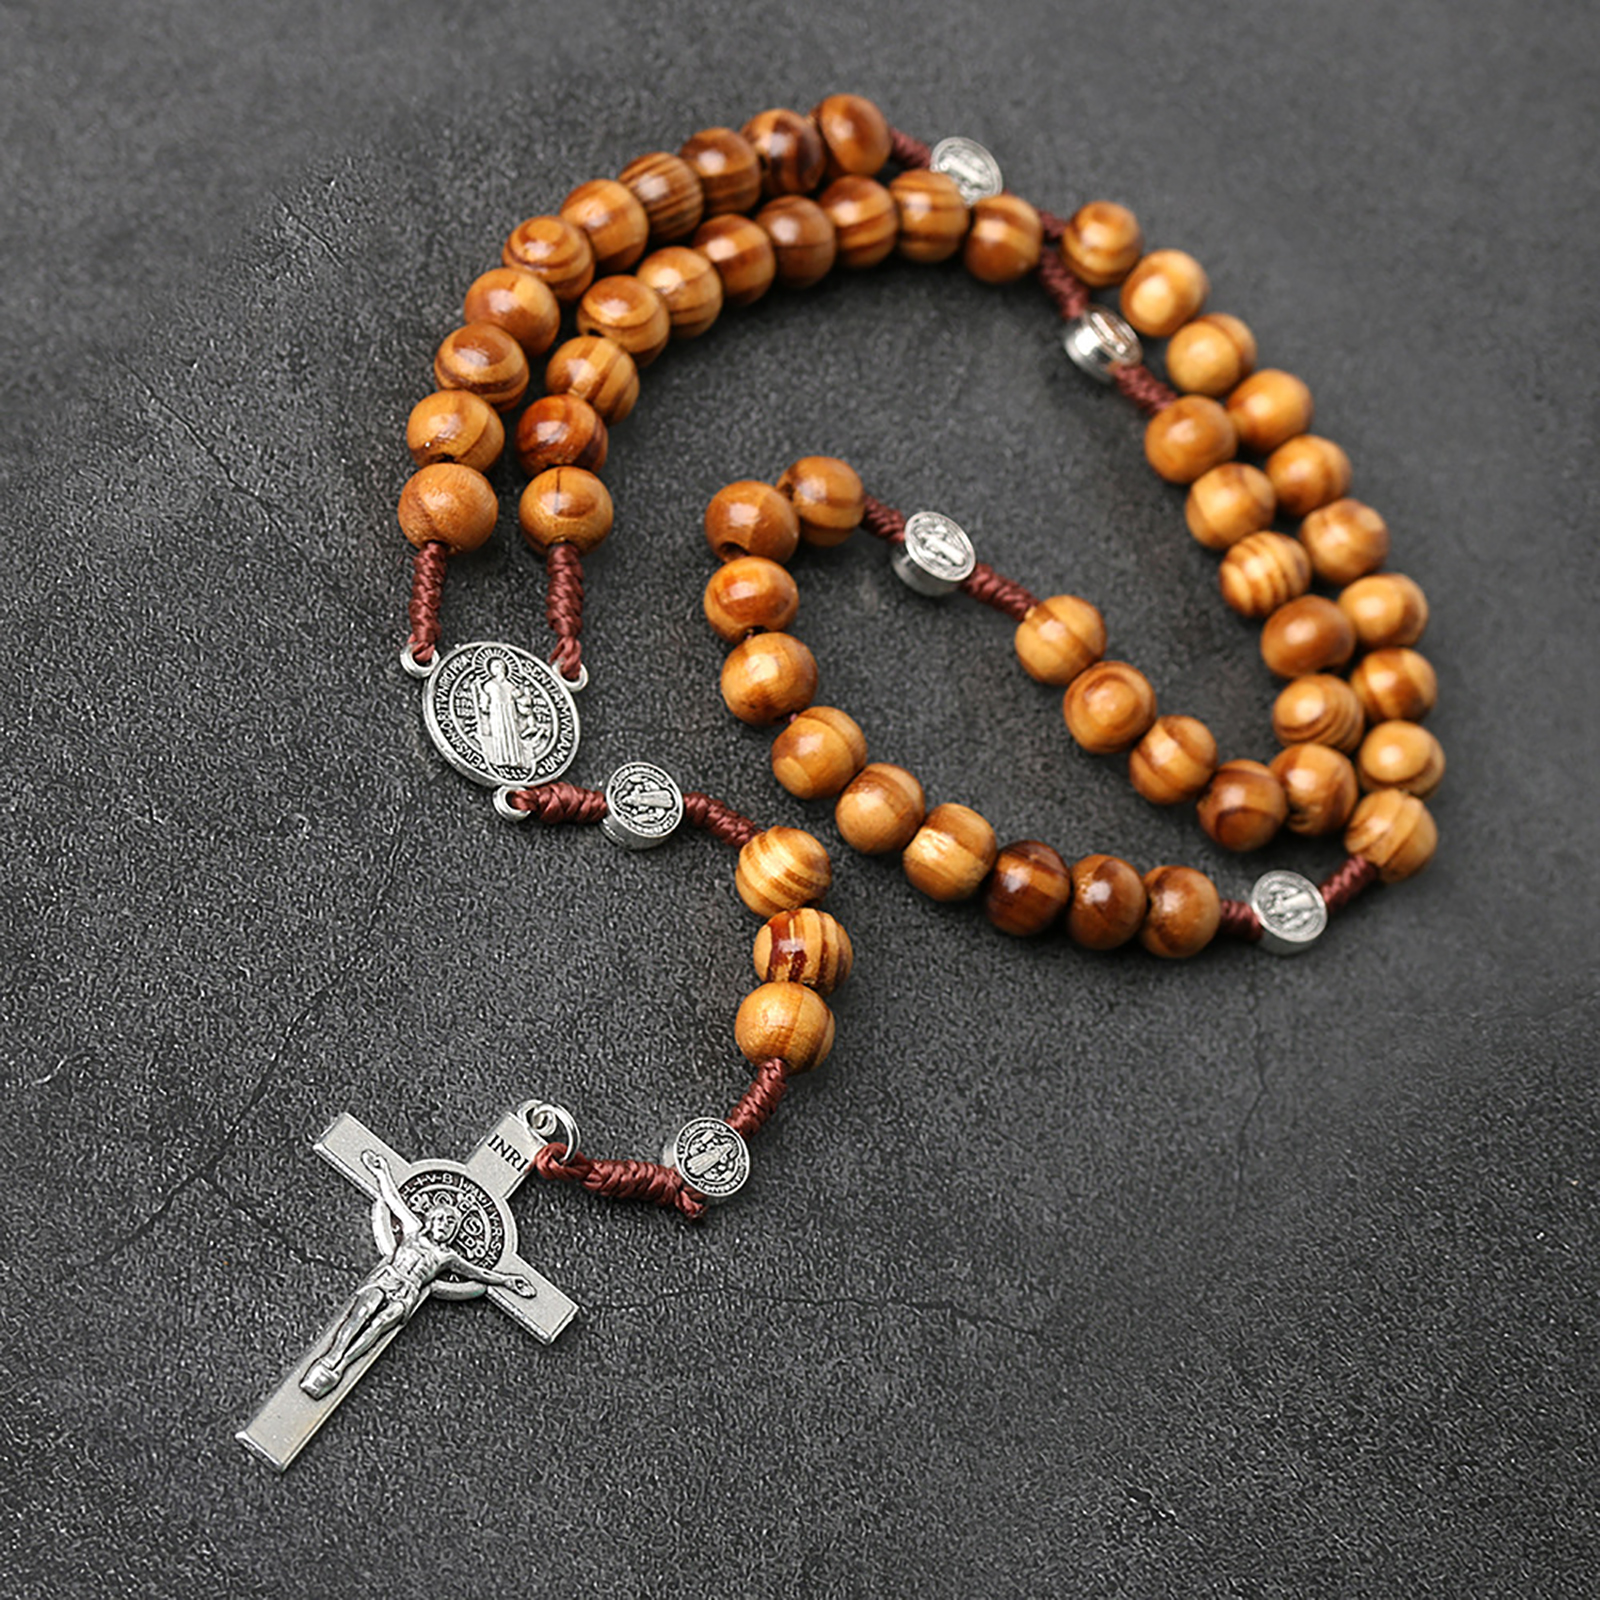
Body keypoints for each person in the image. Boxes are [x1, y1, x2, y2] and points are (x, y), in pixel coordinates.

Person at [300, 1150, 535, 1399]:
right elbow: (393, 1200)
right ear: (430, 1220)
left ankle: (343, 1365)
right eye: (441, 1219)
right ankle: (333, 1355)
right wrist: (382, 1172)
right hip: (389, 1277)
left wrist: (507, 1281)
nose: (445, 1225)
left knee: (380, 1324)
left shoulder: (448, 1257)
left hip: (408, 1291)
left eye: (451, 1223)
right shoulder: (412, 1230)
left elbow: (479, 1273)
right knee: (363, 1311)